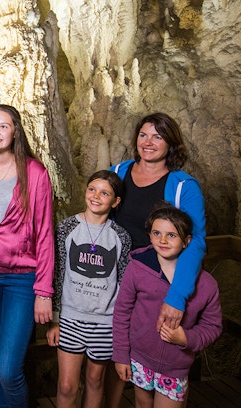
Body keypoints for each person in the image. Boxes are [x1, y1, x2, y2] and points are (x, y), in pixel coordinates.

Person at [106, 112, 206, 407]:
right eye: (143, 135)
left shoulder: (182, 186)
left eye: (157, 136)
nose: (148, 142)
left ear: (170, 143)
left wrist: (177, 297)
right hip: (116, 279)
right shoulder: (118, 172)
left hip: (158, 283)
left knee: (159, 358)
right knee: (115, 356)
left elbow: (195, 241)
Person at [0, 104, 55, 408]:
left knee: (8, 366)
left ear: (15, 131)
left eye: (3, 126)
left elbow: (45, 234)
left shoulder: (34, 173)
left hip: (22, 279)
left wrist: (44, 291)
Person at [112, 202, 222, 407]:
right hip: (139, 358)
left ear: (187, 241)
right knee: (142, 403)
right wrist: (120, 355)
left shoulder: (206, 284)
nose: (162, 240)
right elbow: (122, 312)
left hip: (175, 366)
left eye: (171, 235)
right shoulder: (138, 268)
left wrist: (186, 339)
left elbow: (213, 326)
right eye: (156, 233)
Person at [46, 170, 132, 408]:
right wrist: (54, 320)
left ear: (115, 202)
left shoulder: (120, 237)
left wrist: (121, 326)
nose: (96, 196)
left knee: (95, 381)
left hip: (105, 322)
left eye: (105, 193)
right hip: (70, 319)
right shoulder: (67, 228)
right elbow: (57, 273)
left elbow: (123, 282)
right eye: (92, 189)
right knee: (66, 385)